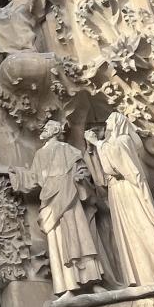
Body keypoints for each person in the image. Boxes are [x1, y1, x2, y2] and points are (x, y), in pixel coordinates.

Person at [11, 120, 105, 297]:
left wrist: (81, 177)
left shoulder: (68, 149)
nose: (44, 130)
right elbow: (34, 178)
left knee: (81, 237)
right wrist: (18, 175)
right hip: (51, 201)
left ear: (55, 131)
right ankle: (68, 286)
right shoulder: (40, 154)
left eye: (47, 127)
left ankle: (93, 282)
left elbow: (83, 170)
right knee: (58, 242)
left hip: (70, 196)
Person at [86, 112, 154, 287]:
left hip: (128, 189)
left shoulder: (123, 140)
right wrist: (94, 146)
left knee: (141, 226)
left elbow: (115, 166)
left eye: (110, 120)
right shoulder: (113, 143)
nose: (107, 123)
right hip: (118, 191)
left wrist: (97, 143)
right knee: (128, 233)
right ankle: (140, 277)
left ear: (118, 123)